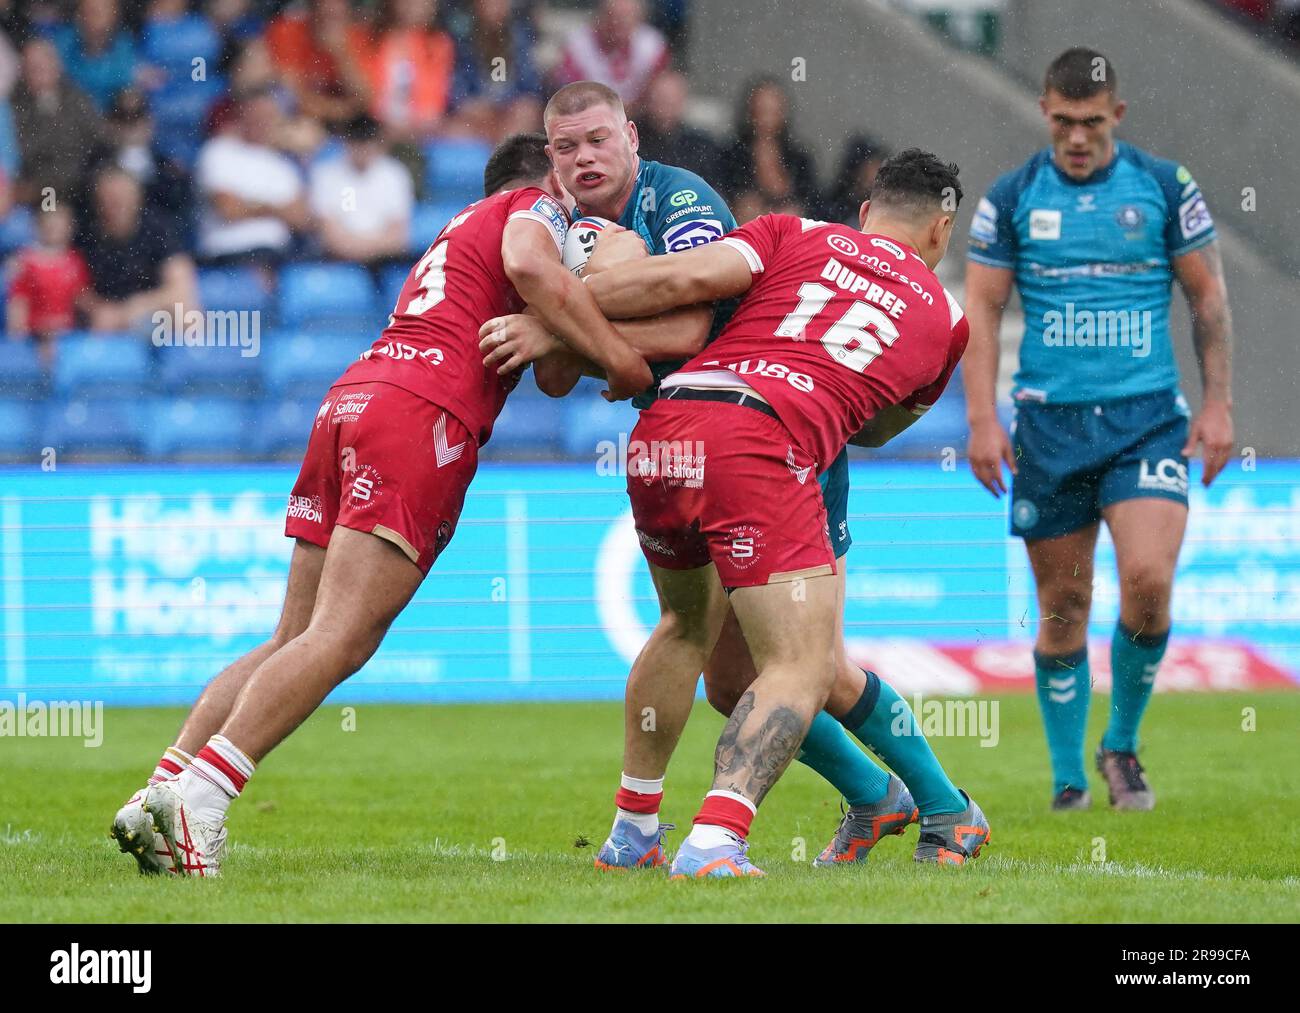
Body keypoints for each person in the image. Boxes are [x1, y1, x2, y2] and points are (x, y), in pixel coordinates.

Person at [109, 133, 651, 877]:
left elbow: (551, 372)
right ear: (546, 182)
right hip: (419, 417)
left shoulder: (458, 228)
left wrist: (564, 320)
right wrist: (624, 357)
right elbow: (535, 276)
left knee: (292, 634)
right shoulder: (535, 212)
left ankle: (162, 787)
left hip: (354, 397)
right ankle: (202, 798)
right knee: (341, 639)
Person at [484, 85, 985, 871]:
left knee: (789, 662)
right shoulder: (949, 319)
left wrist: (550, 308)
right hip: (769, 437)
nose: (583, 157)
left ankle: (929, 804)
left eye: (595, 140)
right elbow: (881, 423)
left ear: (863, 212)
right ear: (940, 229)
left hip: (687, 432)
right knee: (754, 671)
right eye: (567, 146)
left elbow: (686, 295)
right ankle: (882, 800)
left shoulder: (776, 224)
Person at [964, 48, 1235, 811]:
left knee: (1149, 582)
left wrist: (1217, 405)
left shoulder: (1162, 186)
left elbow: (1208, 300)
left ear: (1116, 115)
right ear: (1045, 112)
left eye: (1090, 122)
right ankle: (1068, 778)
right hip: (1048, 426)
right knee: (1063, 608)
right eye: (1061, 122)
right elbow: (980, 310)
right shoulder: (1013, 197)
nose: (1076, 136)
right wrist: (983, 419)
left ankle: (1120, 745)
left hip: (1146, 418)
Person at [194, 84, 309, 265]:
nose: (263, 123)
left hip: (278, 255)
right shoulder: (218, 151)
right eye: (257, 116)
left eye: (268, 117)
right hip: (229, 253)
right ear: (242, 115)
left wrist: (250, 205)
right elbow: (229, 209)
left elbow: (301, 219)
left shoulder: (284, 165)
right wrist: (277, 208)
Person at [76, 166, 197, 334]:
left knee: (188, 314)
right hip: (102, 317)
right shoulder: (85, 234)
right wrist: (98, 309)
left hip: (148, 311)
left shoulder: (158, 229)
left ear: (137, 197)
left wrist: (138, 306)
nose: (115, 204)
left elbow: (181, 286)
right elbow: (72, 286)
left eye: (122, 197)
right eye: (109, 198)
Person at [309, 112, 413, 265]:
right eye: (357, 142)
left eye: (367, 142)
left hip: (384, 261)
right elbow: (330, 236)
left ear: (378, 143)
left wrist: (364, 249)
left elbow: (398, 236)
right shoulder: (326, 175)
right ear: (347, 142)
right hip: (340, 261)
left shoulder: (395, 174)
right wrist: (367, 249)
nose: (363, 149)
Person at [10, 38, 103, 207]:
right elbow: (22, 153)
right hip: (39, 191)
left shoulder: (78, 100)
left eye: (42, 66)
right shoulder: (14, 107)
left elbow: (97, 141)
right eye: (31, 68)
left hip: (78, 185)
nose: (37, 73)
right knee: (51, 211)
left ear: (56, 66)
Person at [715, 75, 821, 218]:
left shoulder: (799, 158)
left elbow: (813, 202)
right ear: (750, 111)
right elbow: (725, 195)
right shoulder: (731, 155)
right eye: (762, 110)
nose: (767, 119)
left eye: (773, 111)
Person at [6, 203, 89, 364]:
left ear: (69, 228)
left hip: (67, 335)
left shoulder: (75, 261)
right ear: (38, 227)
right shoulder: (25, 262)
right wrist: (18, 336)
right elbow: (18, 302)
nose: (53, 230)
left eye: (59, 225)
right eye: (49, 225)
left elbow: (82, 298)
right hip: (34, 336)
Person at [551, 0, 668, 113]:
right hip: (590, 116)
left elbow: (658, 86)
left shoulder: (652, 45)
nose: (620, 24)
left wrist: (632, 108)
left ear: (638, 20)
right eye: (614, 17)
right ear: (601, 17)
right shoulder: (578, 45)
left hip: (640, 116)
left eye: (627, 18)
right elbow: (573, 90)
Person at [632, 69, 718, 183]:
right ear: (648, 100)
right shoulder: (633, 141)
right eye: (661, 98)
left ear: (682, 100)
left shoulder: (701, 145)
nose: (666, 105)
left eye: (671, 99)